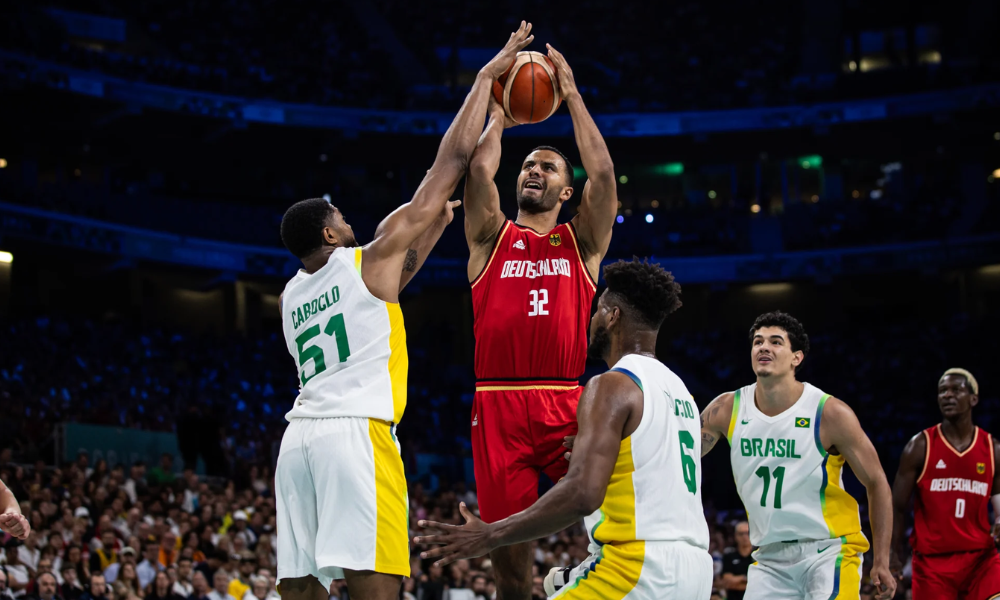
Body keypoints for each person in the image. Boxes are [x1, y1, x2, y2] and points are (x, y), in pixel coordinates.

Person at [272, 21, 535, 600]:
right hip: (356, 436)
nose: (349, 219)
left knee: (300, 584)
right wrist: (486, 86)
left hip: (298, 443)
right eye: (339, 215)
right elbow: (452, 160)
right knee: (377, 583)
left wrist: (432, 233)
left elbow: (384, 287)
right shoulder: (366, 255)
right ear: (329, 231)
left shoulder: (293, 293)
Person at [417, 259, 713, 599]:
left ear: (613, 316)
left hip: (638, 569)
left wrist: (490, 535)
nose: (590, 321)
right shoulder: (682, 394)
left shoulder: (611, 386)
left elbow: (582, 495)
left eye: (597, 311)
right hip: (695, 571)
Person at [461, 41, 618, 600]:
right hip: (497, 404)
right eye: (529, 165)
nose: (534, 170)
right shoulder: (489, 238)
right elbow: (479, 168)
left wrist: (571, 95)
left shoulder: (582, 241)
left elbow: (603, 174)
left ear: (566, 190)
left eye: (548, 167)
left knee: (617, 503)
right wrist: (501, 108)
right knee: (507, 561)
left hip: (564, 401)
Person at [699, 311, 896, 600]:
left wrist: (881, 560)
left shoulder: (829, 412)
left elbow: (877, 482)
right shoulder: (727, 407)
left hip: (827, 551)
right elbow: (681, 455)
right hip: (768, 557)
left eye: (776, 342)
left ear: (797, 358)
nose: (763, 347)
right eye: (758, 342)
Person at [890, 368, 1000, 598]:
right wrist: (892, 553)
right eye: (942, 391)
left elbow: (999, 503)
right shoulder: (920, 446)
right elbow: (896, 507)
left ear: (973, 399)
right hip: (932, 565)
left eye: (956, 390)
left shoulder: (992, 449)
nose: (947, 395)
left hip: (981, 560)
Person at [721, 522, 753, 600]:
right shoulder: (729, 556)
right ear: (735, 536)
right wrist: (746, 578)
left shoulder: (759, 556)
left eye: (747, 533)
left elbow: (762, 583)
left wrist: (737, 580)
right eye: (741, 534)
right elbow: (727, 582)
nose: (745, 536)